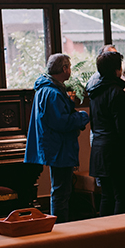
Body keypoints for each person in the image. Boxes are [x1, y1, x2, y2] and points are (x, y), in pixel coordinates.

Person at [24, 53, 90, 222]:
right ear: (64, 69)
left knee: (60, 190)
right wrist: (82, 116)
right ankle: (61, 229)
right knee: (61, 192)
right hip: (59, 148)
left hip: (55, 146)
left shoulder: (46, 88)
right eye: (69, 67)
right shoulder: (52, 92)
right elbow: (61, 122)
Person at [87, 49, 125, 216]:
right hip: (118, 153)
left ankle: (106, 235)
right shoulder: (116, 93)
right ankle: (123, 237)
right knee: (123, 198)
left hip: (100, 151)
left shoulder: (94, 94)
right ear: (117, 70)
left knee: (107, 197)